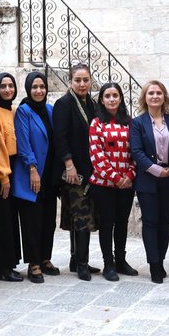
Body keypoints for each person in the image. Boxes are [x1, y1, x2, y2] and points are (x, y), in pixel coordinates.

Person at [53, 64, 99, 279]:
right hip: (73, 171)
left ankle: (76, 259)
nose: (82, 84)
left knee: (83, 215)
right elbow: (60, 137)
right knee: (81, 217)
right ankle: (81, 263)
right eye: (77, 80)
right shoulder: (64, 104)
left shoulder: (92, 103)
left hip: (91, 168)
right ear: (70, 81)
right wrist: (68, 165)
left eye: (86, 80)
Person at [130, 80, 169, 284]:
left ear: (164, 97)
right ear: (145, 97)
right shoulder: (138, 122)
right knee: (150, 222)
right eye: (151, 93)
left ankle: (161, 259)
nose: (155, 96)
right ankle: (154, 265)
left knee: (165, 221)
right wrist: (156, 170)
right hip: (148, 179)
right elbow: (137, 152)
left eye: (159, 92)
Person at [89, 82, 137, 282]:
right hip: (104, 184)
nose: (111, 99)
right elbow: (97, 156)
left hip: (127, 183)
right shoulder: (96, 123)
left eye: (115, 95)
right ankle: (108, 263)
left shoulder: (130, 123)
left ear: (120, 98)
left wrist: (130, 175)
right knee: (107, 223)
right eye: (107, 96)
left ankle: (121, 260)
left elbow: (135, 152)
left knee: (122, 222)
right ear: (101, 99)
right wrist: (117, 178)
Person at [13, 72, 57, 283]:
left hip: (49, 174)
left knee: (49, 219)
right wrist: (32, 169)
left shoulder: (50, 110)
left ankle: (45, 258)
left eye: (42, 86)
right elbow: (23, 143)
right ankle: (33, 263)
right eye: (34, 87)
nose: (39, 91)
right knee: (32, 220)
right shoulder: (24, 111)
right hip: (32, 174)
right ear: (29, 89)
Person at [0, 72, 23, 283]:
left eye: (11, 86)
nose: (8, 90)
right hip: (2, 173)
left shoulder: (14, 110)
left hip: (14, 169)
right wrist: (3, 177)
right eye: (3, 86)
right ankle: (2, 267)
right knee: (2, 221)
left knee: (10, 220)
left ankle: (9, 263)